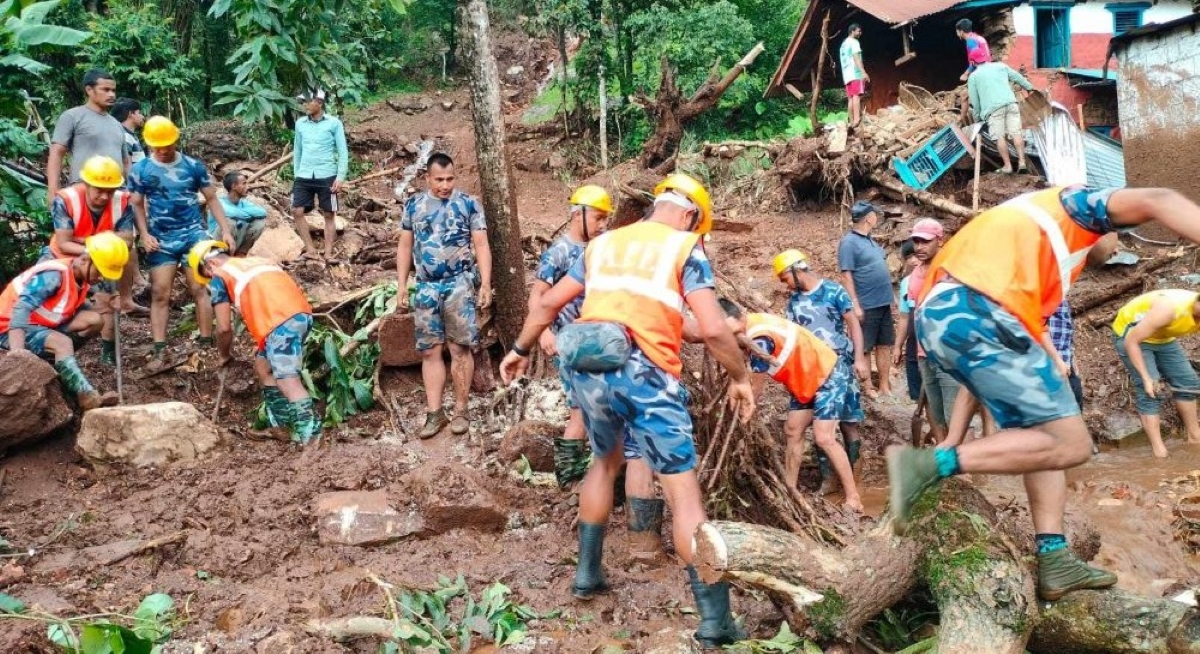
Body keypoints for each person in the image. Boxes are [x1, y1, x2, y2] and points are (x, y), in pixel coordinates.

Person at [891, 185, 1200, 602]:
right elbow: (1161, 198)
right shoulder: (1075, 204)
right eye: (1116, 235)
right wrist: (949, 448)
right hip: (978, 310)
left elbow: (974, 382)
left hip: (952, 317)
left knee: (1046, 436)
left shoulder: (1019, 252)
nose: (1113, 246)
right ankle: (925, 466)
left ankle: (1053, 557)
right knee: (1073, 446)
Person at [499, 173, 753, 649]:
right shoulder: (684, 249)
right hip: (649, 377)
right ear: (691, 214)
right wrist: (740, 378)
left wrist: (518, 348)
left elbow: (550, 302)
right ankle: (717, 621)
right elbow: (715, 330)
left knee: (605, 462)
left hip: (590, 367)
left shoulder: (604, 244)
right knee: (685, 496)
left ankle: (587, 575)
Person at [723, 300, 863, 512]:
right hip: (806, 379)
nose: (735, 338)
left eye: (735, 331)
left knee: (824, 437)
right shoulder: (752, 322)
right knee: (792, 430)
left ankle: (854, 498)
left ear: (741, 317)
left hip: (828, 374)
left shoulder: (760, 338)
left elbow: (755, 389)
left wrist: (743, 414)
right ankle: (790, 489)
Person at [396, 153, 493, 439]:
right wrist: (402, 284)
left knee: (460, 348)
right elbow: (404, 246)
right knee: (429, 350)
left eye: (450, 178)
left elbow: (482, 245)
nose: (445, 185)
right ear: (427, 178)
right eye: (439, 179)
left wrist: (485, 283)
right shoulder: (414, 205)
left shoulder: (468, 204)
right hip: (426, 286)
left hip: (459, 283)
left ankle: (461, 410)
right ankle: (435, 412)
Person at [189, 240, 321, 444]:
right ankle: (281, 425)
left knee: (288, 380)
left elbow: (224, 327)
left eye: (206, 275)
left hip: (278, 322)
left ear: (210, 265)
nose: (209, 279)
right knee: (263, 367)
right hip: (299, 316)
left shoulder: (220, 277)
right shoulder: (256, 262)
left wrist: (224, 355)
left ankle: (311, 439)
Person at [130, 115, 234, 366]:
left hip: (193, 234)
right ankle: (159, 346)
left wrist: (225, 230)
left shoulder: (193, 166)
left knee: (199, 287)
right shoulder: (141, 169)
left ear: (175, 140)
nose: (163, 150)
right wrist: (144, 235)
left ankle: (206, 342)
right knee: (159, 292)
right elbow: (136, 204)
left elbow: (211, 199)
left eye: (167, 144)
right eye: (158, 146)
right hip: (160, 238)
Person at [774, 249, 867, 496]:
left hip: (839, 366)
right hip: (810, 371)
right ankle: (829, 480)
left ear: (796, 270)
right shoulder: (793, 302)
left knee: (847, 423)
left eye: (785, 279)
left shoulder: (834, 291)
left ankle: (855, 478)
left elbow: (853, 324)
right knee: (820, 425)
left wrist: (859, 358)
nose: (786, 286)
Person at [0, 232, 129, 410]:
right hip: (8, 328)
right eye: (99, 272)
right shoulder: (53, 276)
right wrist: (19, 356)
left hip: (39, 324)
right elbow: (21, 309)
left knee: (95, 320)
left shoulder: (79, 276)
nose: (101, 278)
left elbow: (67, 306)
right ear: (85, 259)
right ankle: (86, 397)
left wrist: (108, 304)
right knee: (62, 342)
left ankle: (57, 363)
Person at [46, 155, 144, 366]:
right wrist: (100, 244)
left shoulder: (122, 201)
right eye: (98, 189)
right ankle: (45, 347)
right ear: (86, 184)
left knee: (106, 303)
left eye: (109, 191)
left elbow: (126, 239)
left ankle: (107, 354)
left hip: (102, 258)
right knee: (47, 301)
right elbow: (64, 243)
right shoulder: (66, 199)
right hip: (62, 259)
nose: (104, 196)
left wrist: (87, 242)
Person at [1111, 289, 1200, 458]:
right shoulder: (1169, 309)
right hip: (1132, 334)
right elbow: (1132, 342)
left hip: (1162, 337)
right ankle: (1159, 452)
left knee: (1188, 382)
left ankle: (1195, 438)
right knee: (1151, 390)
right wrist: (1146, 378)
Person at [838, 200, 895, 397]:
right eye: (875, 215)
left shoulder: (870, 240)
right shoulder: (849, 243)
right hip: (866, 303)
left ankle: (885, 385)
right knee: (865, 346)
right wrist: (855, 303)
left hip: (883, 302)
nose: (876, 218)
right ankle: (868, 386)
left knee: (885, 344)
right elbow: (846, 275)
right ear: (869, 218)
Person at [47, 69, 127, 209]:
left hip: (115, 193)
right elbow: (56, 153)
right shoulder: (72, 116)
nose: (111, 94)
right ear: (89, 90)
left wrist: (130, 191)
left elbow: (126, 162)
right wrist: (53, 190)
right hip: (84, 191)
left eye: (113, 90)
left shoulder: (117, 125)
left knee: (115, 232)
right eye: (106, 90)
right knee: (83, 231)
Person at [291, 88, 349, 261]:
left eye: (308, 101)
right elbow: (297, 150)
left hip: (327, 174)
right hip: (304, 174)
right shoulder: (300, 123)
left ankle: (329, 253)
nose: (305, 105)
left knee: (329, 214)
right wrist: (297, 174)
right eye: (303, 102)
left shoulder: (334, 123)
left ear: (319, 103)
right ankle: (310, 249)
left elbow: (343, 151)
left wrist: (340, 177)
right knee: (297, 210)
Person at [968, 60, 1035, 174]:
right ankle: (1022, 162)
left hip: (993, 109)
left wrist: (977, 117)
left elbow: (975, 100)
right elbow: (1017, 77)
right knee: (1016, 133)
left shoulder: (974, 76)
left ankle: (1007, 166)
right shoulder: (1001, 66)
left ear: (973, 62)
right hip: (1011, 104)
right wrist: (1029, 87)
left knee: (999, 137)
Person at [212, 171, 269, 255]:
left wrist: (239, 213)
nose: (248, 187)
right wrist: (248, 215)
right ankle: (221, 254)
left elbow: (262, 212)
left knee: (260, 223)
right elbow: (231, 213)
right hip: (216, 243)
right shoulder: (220, 202)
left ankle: (241, 253)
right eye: (244, 184)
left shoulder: (243, 203)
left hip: (236, 241)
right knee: (230, 222)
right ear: (234, 186)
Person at [894, 240, 922, 403]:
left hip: (932, 344)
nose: (913, 260)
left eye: (915, 255)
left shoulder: (937, 277)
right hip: (913, 343)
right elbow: (904, 317)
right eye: (909, 256)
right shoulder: (906, 283)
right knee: (917, 389)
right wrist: (898, 347)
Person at [839, 23, 869, 129]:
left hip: (846, 75)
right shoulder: (854, 42)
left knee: (850, 98)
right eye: (858, 31)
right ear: (852, 31)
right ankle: (857, 119)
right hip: (855, 73)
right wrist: (863, 72)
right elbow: (856, 58)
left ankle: (851, 121)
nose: (860, 33)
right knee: (856, 96)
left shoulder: (843, 45)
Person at [111, 97, 146, 167]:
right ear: (131, 114)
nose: (142, 116)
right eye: (139, 113)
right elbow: (126, 168)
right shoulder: (125, 137)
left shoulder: (130, 135)